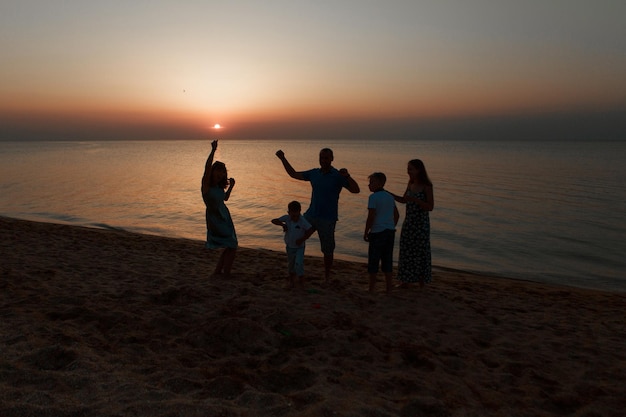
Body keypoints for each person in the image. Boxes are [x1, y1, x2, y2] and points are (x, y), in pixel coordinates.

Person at [275, 148, 360, 283]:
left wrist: (348, 176)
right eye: (321, 158)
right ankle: (293, 271)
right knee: (295, 236)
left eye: (326, 158)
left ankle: (327, 276)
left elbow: (356, 190)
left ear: (332, 159)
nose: (324, 161)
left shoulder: (338, 175)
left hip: (328, 219)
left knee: (327, 250)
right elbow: (293, 174)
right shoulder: (314, 173)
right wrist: (283, 159)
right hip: (311, 215)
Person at [391, 159, 434, 288]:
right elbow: (404, 200)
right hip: (409, 223)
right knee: (406, 251)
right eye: (408, 169)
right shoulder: (410, 183)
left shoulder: (427, 186)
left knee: (420, 252)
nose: (408, 171)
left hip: (421, 225)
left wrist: (415, 199)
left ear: (418, 170)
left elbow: (430, 207)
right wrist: (388, 194)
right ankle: (405, 281)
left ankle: (421, 282)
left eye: (410, 169)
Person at [201, 140, 237, 277]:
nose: (220, 174)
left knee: (231, 245)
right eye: (218, 171)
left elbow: (225, 198)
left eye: (222, 172)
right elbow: (207, 168)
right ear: (213, 171)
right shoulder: (206, 186)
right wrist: (213, 150)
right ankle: (226, 272)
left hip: (225, 217)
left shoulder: (219, 187)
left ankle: (218, 272)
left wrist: (232, 186)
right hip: (215, 219)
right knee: (232, 245)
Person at [364, 172, 399, 293]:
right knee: (387, 259)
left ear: (380, 183)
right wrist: (390, 225)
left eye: (371, 182)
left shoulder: (373, 197)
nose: (369, 185)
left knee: (374, 260)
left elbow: (371, 216)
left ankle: (371, 288)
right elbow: (396, 215)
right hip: (389, 232)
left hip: (377, 232)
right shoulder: (389, 197)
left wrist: (366, 231)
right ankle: (388, 287)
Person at [271, 200, 315, 289]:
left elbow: (310, 230)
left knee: (298, 263)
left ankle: (301, 280)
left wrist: (302, 239)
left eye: (297, 215)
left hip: (300, 247)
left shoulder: (302, 221)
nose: (295, 217)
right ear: (289, 213)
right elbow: (274, 220)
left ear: (300, 212)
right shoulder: (287, 218)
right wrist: (283, 225)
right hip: (290, 247)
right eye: (293, 215)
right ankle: (291, 281)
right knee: (291, 264)